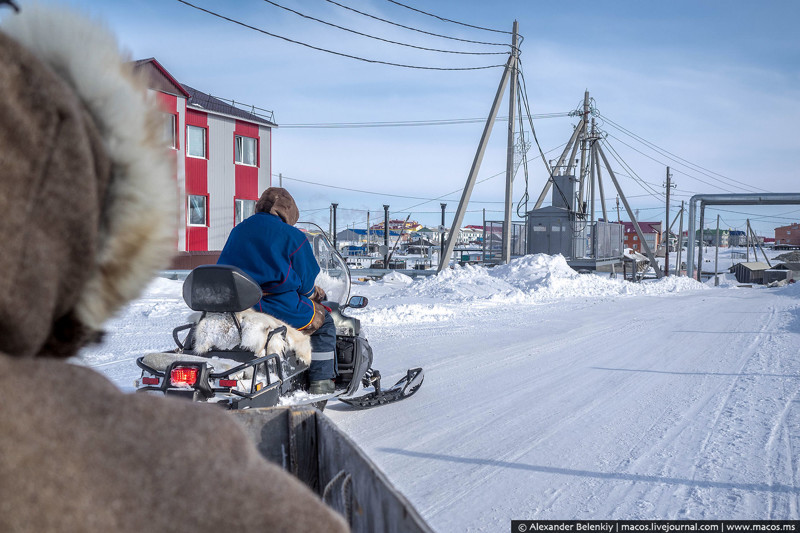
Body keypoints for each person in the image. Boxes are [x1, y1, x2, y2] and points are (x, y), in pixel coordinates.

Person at [0, 5, 348, 532]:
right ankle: (323, 389)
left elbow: (231, 267)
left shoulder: (235, 229)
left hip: (229, 305)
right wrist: (313, 302)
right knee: (322, 330)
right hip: (274, 305)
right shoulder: (294, 237)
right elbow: (301, 283)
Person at [217, 187, 338, 394]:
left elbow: (223, 269)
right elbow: (307, 283)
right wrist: (314, 295)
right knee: (325, 322)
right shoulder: (293, 236)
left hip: (239, 307)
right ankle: (321, 381)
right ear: (289, 212)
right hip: (279, 307)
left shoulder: (238, 230)